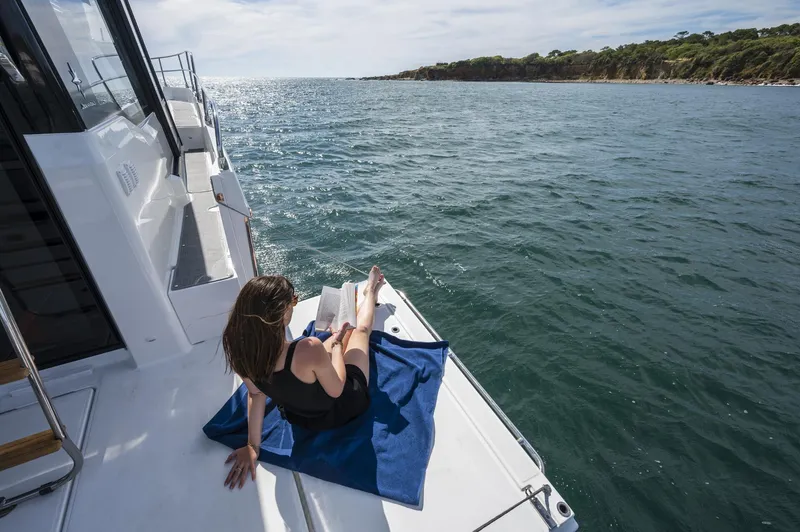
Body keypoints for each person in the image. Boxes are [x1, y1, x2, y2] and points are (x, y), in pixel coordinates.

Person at [221, 266, 385, 489]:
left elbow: (255, 395)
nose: (294, 306)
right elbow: (337, 389)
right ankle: (371, 292)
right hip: (342, 404)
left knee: (337, 338)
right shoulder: (309, 348)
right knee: (360, 332)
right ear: (281, 315)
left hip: (300, 416)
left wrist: (253, 445)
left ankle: (351, 317)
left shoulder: (241, 353)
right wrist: (336, 346)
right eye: (293, 302)